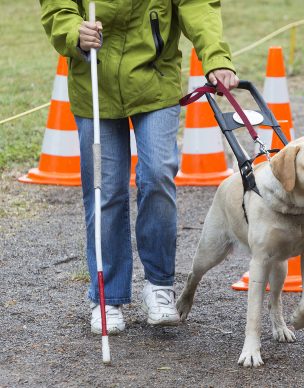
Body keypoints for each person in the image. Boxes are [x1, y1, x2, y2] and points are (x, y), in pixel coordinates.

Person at [39, 0, 238, 334]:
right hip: (94, 85)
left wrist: (216, 57)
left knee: (158, 174)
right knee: (106, 190)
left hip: (155, 81)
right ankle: (108, 297)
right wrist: (74, 31)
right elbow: (58, 8)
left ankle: (159, 286)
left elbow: (199, 5)